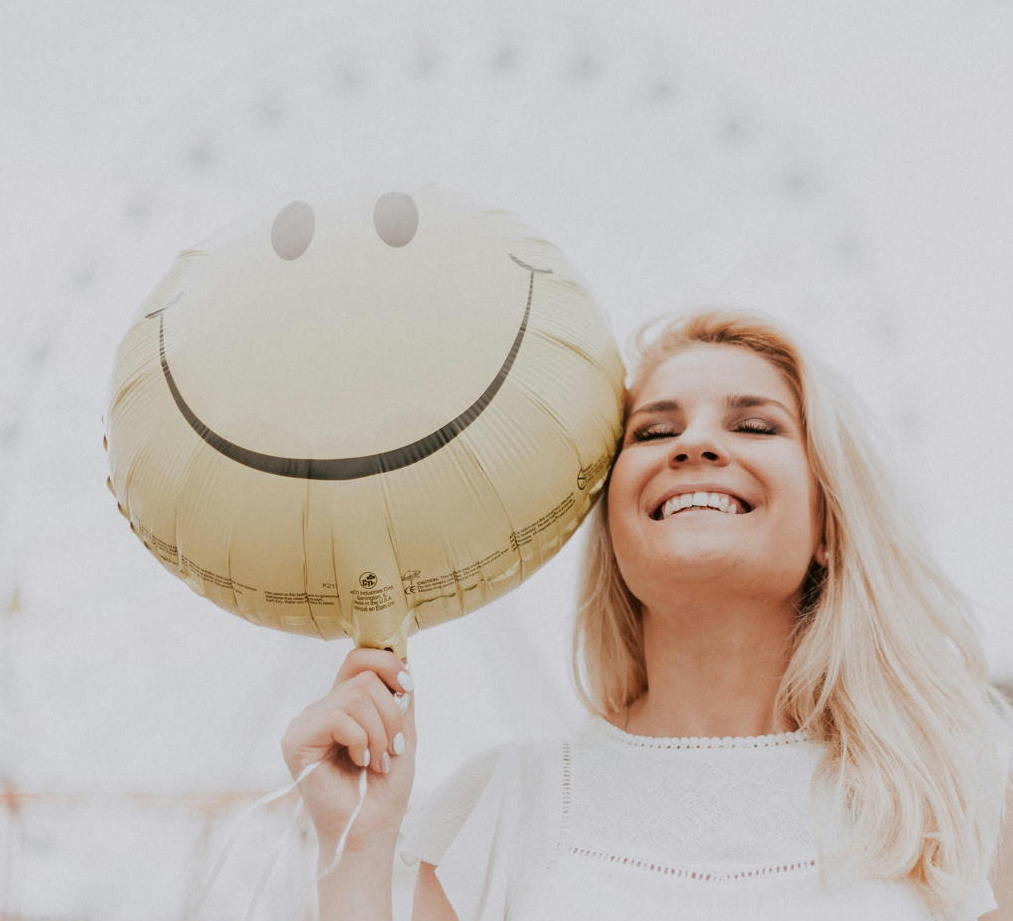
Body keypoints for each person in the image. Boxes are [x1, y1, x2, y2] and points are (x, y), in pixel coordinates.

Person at [281, 308, 1013, 921]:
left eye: (755, 426)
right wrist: (355, 845)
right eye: (654, 433)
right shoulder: (503, 808)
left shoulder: (950, 791)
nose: (694, 443)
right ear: (613, 531)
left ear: (828, 524)